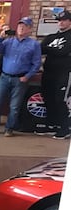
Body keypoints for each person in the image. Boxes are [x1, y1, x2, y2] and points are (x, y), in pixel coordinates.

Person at [0, 16, 41, 137]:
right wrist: (0, 38)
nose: (21, 28)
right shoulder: (8, 41)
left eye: (25, 26)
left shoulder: (34, 44)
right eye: (20, 25)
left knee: (14, 106)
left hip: (20, 79)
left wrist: (28, 76)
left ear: (30, 29)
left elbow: (36, 63)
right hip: (4, 76)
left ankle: (9, 128)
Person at [41, 10, 71, 140]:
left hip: (64, 73)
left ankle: (65, 128)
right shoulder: (51, 37)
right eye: (59, 20)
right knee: (48, 98)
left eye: (64, 20)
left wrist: (50, 50)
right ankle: (52, 125)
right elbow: (40, 49)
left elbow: (63, 51)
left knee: (60, 100)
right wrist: (53, 50)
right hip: (48, 72)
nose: (61, 22)